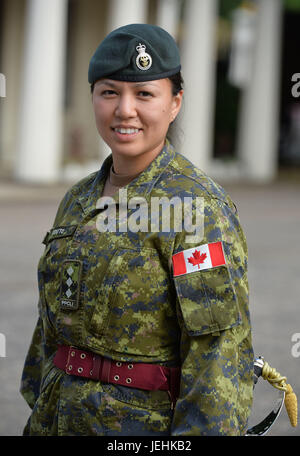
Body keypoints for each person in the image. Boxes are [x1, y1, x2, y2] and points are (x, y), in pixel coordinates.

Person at [20, 23, 254, 436]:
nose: (124, 110)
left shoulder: (195, 208)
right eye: (109, 92)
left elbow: (218, 356)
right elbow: (50, 329)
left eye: (144, 94)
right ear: (93, 97)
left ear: (175, 102)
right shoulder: (78, 199)